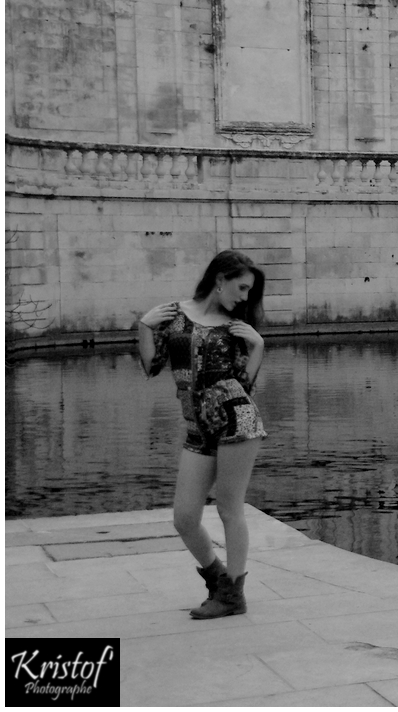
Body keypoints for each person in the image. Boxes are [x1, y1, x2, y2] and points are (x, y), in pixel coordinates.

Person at [138, 250, 267, 619]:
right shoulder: (174, 317)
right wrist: (144, 326)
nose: (244, 297)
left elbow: (245, 385)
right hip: (197, 428)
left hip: (236, 421)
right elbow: (151, 367)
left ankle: (233, 594)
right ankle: (218, 580)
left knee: (229, 509)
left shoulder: (236, 327)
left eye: (248, 291)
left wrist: (259, 345)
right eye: (241, 287)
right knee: (184, 517)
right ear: (220, 278)